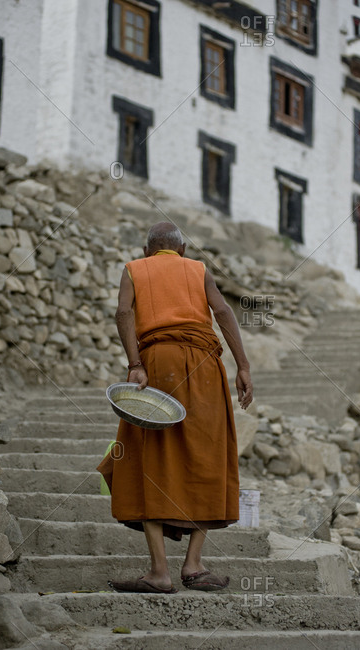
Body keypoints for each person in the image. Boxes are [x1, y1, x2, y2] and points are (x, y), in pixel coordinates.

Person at [97, 222, 253, 593]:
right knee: (207, 456)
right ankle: (194, 566)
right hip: (205, 367)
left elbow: (123, 314)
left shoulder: (135, 269)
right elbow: (224, 313)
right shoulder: (198, 269)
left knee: (147, 458)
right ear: (181, 251)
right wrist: (243, 366)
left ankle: (159, 572)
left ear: (148, 250)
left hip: (157, 364)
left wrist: (135, 365)